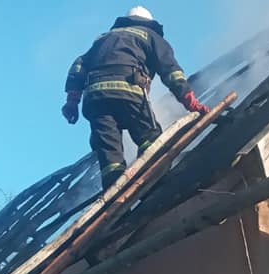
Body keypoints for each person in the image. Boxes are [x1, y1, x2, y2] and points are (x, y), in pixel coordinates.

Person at [62, 6, 211, 190]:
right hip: (129, 93)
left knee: (110, 154)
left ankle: (114, 191)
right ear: (149, 24)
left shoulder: (102, 39)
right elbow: (171, 72)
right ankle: (157, 182)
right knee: (149, 139)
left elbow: (78, 67)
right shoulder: (150, 36)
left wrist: (72, 101)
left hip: (96, 99)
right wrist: (190, 100)